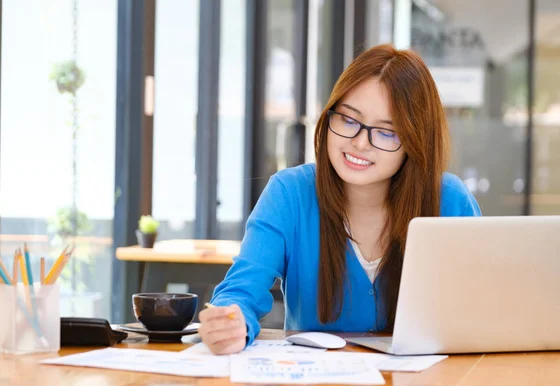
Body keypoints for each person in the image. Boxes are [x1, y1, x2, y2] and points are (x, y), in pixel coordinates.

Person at [197, 44, 481, 355]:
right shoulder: (290, 193)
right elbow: (241, 289)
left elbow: (486, 304)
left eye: (387, 132)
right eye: (348, 120)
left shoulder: (450, 201)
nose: (359, 143)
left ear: (414, 142)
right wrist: (231, 322)